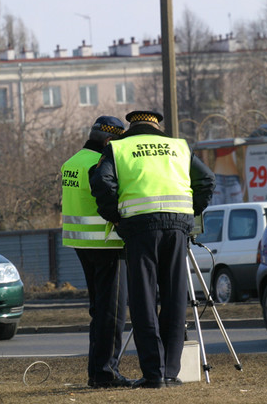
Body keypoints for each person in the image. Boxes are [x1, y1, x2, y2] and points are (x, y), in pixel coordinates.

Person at [90, 109, 215, 389]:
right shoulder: (178, 146)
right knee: (175, 297)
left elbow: (101, 182)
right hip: (178, 226)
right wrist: (191, 212)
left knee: (144, 299)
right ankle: (171, 372)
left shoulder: (119, 148)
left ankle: (153, 374)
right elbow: (207, 180)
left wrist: (114, 215)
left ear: (132, 125)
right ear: (157, 126)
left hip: (139, 228)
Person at [61, 115, 133, 389]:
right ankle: (105, 373)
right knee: (112, 312)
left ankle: (97, 372)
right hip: (107, 244)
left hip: (81, 243)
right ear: (108, 140)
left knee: (100, 310)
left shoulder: (72, 162)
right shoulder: (99, 163)